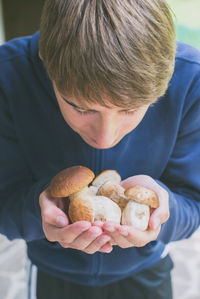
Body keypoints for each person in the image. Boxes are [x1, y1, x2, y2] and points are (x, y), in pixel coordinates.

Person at [0, 0, 200, 298]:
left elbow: (193, 205)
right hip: (52, 270)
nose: (106, 138)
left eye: (130, 109)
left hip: (145, 268)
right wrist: (37, 210)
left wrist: (164, 207)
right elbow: (5, 206)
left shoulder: (190, 80)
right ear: (45, 58)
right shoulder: (8, 77)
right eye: (81, 108)